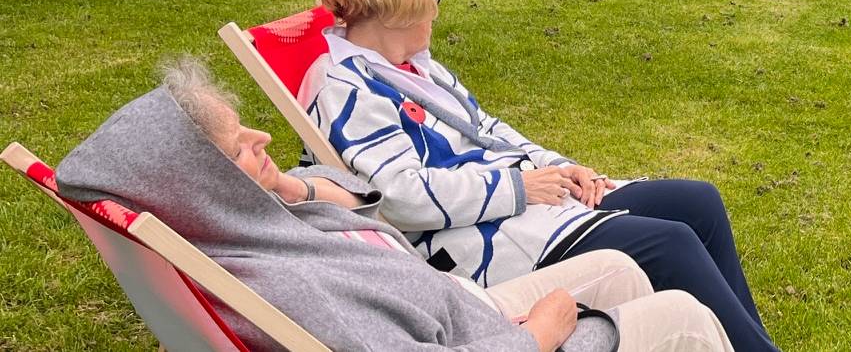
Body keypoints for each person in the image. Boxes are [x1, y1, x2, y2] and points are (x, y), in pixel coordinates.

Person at [57, 59, 736, 352]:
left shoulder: (245, 227)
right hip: (483, 334)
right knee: (680, 312)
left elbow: (354, 188)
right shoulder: (287, 282)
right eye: (240, 148)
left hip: (455, 310)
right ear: (199, 186)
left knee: (620, 262)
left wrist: (295, 186)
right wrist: (538, 333)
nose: (264, 138)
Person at [304, 0, 777, 350]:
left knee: (697, 201)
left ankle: (750, 342)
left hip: (529, 202)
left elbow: (488, 128)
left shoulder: (415, 67)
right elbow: (399, 198)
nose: (436, 6)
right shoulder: (346, 89)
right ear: (398, 8)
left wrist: (564, 168)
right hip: (480, 238)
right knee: (669, 244)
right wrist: (520, 186)